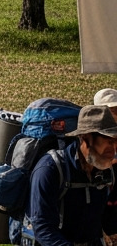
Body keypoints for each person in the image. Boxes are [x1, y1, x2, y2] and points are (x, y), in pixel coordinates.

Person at [25, 103, 117, 246]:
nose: (114, 148)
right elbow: (43, 229)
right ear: (86, 137)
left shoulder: (106, 170)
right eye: (108, 141)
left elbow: (108, 221)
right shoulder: (50, 169)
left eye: (116, 141)